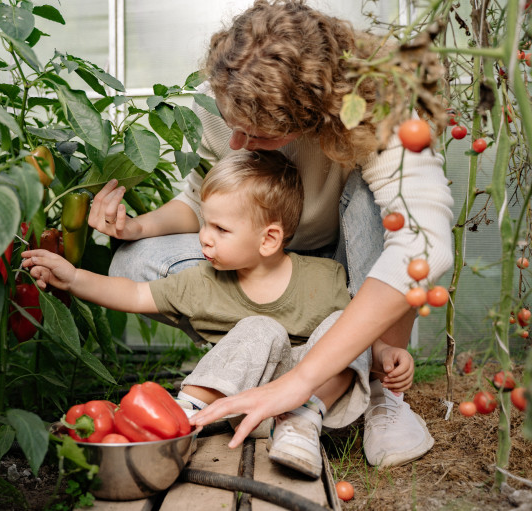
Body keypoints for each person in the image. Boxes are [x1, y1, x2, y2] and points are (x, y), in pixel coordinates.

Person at [87, 0, 453, 468]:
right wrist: (135, 227)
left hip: (346, 264)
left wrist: (296, 385)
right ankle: (269, 357)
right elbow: (201, 199)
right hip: (264, 264)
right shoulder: (229, 95)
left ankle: (374, 384)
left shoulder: (383, 108)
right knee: (135, 260)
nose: (236, 145)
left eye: (257, 135)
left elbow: (423, 244)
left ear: (312, 114)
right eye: (231, 127)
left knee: (381, 205)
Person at [23, 151, 414, 479]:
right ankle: (182, 418)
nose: (204, 237)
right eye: (204, 222)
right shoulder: (204, 281)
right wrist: (74, 277)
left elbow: (359, 334)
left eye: (220, 228)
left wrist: (384, 355)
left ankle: (299, 423)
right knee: (260, 328)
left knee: (341, 325)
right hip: (241, 403)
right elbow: (134, 292)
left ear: (269, 239)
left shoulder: (324, 278)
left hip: (315, 403)